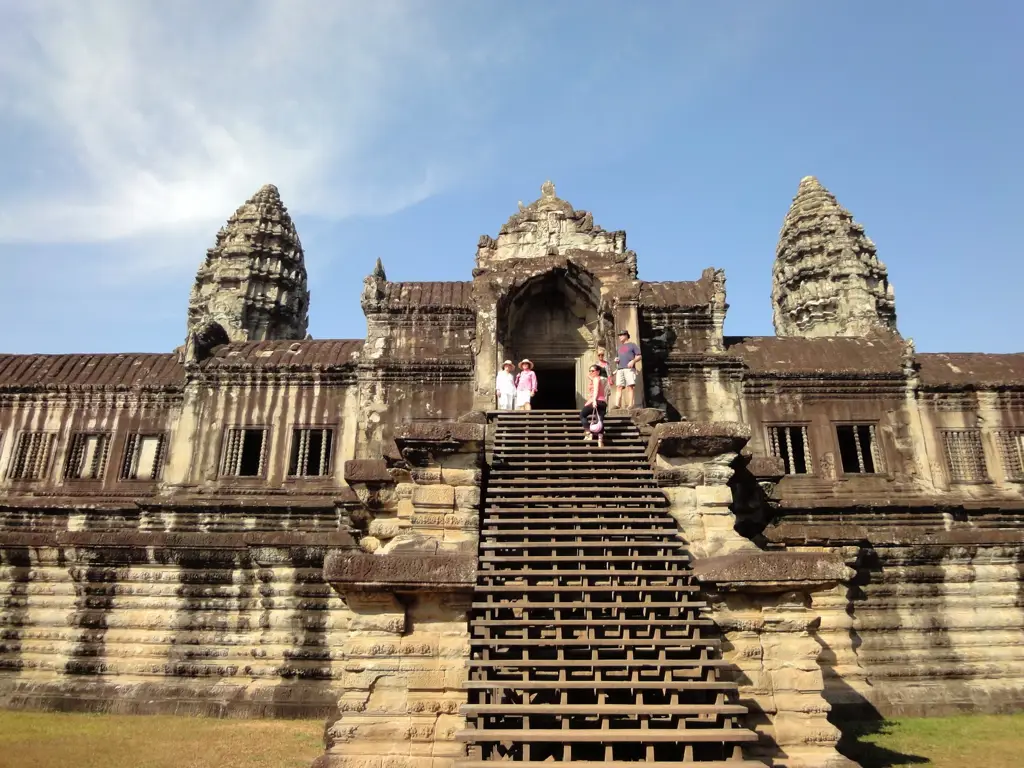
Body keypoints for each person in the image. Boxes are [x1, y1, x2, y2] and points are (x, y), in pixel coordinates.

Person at [580, 363, 608, 445]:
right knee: (600, 420)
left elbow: (596, 390)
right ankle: (600, 440)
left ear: (598, 372)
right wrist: (590, 377)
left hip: (596, 400)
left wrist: (594, 401)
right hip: (603, 402)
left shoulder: (596, 379)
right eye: (590, 371)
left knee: (582, 415)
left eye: (592, 371)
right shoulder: (598, 379)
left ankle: (588, 433)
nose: (591, 372)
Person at [614, 329, 642, 409]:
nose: (620, 337)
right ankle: (617, 404)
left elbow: (639, 356)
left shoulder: (632, 345)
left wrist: (633, 361)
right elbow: (617, 358)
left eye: (622, 335)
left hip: (629, 368)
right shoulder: (619, 347)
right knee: (619, 386)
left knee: (630, 386)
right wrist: (616, 360)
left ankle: (630, 404)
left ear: (626, 336)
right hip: (620, 369)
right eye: (619, 335)